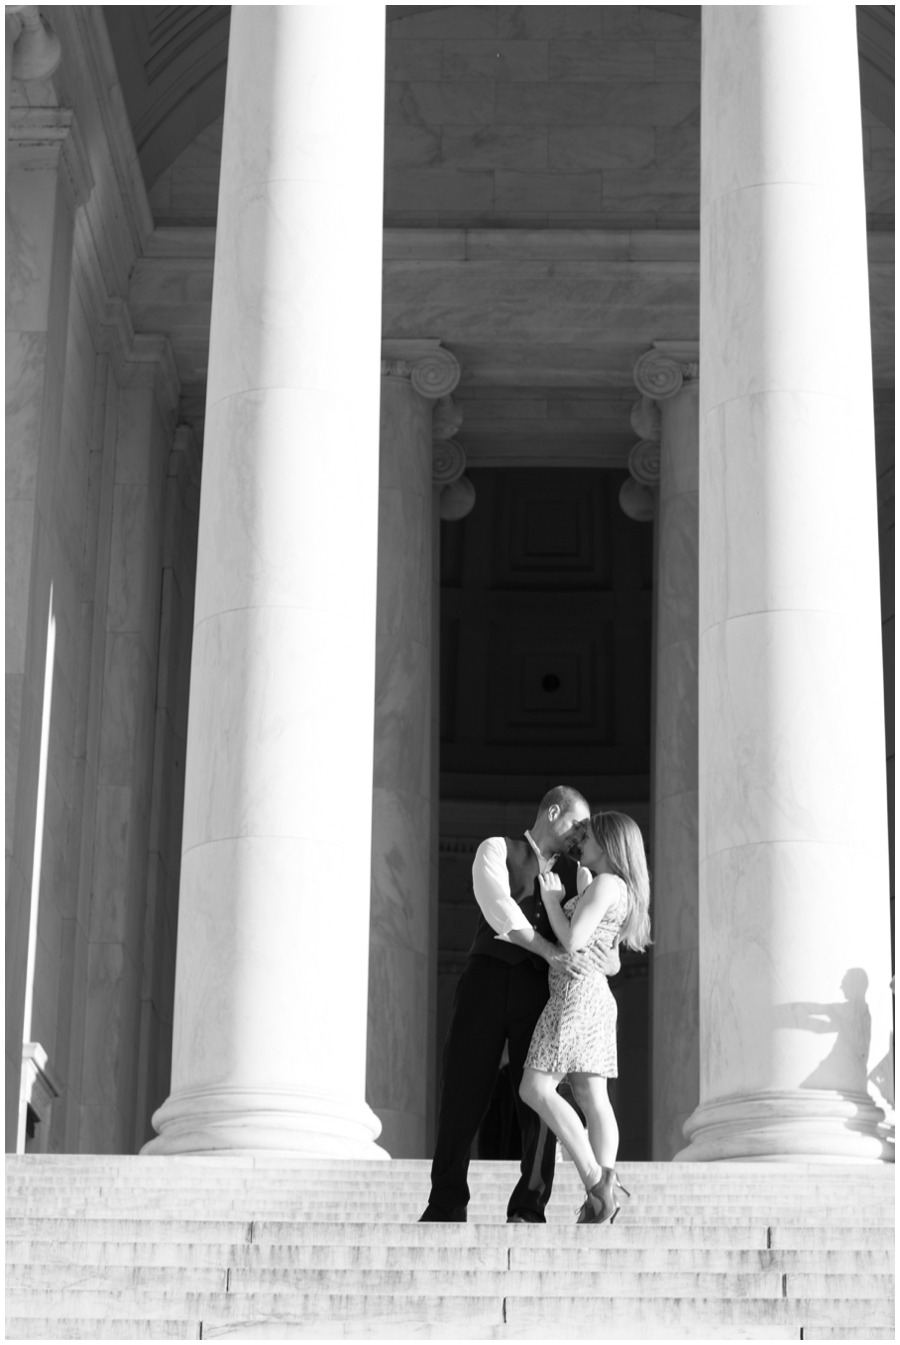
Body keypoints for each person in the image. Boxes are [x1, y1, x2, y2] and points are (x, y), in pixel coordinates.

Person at [419, 786, 621, 1224]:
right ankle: (446, 1204)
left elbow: (600, 931)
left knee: (538, 1105)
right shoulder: (496, 849)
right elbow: (500, 911)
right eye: (576, 826)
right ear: (553, 812)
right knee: (461, 1093)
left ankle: (530, 1206)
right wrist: (551, 951)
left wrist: (614, 960)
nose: (579, 838)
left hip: (539, 992)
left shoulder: (578, 878)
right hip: (485, 982)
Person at [520, 810, 651, 1225]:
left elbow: (574, 940)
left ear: (610, 846)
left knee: (535, 1088)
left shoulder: (608, 884)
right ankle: (601, 1195)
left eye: (589, 837)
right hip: (595, 995)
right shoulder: (617, 888)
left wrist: (551, 902)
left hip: (576, 995)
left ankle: (598, 1185)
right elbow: (603, 949)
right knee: (593, 1099)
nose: (581, 844)